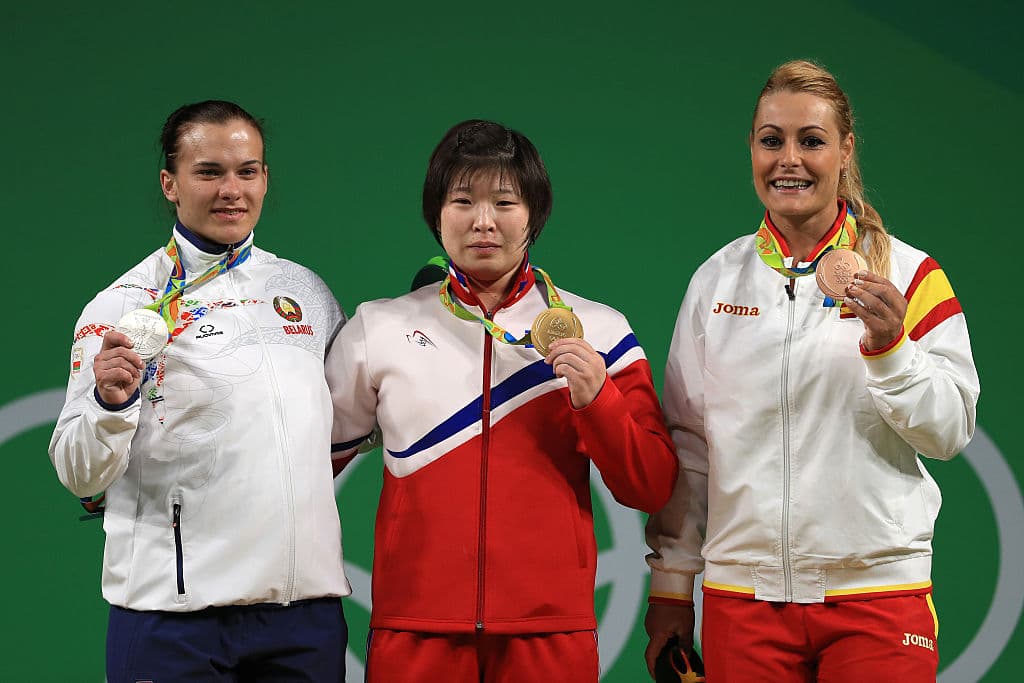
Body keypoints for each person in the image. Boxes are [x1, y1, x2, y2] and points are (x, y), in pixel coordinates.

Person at [644, 60, 980, 682]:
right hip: (742, 600)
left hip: (877, 596)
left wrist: (891, 349)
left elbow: (951, 430)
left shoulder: (909, 275)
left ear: (846, 151)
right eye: (772, 141)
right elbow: (690, 450)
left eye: (812, 141)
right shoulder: (716, 282)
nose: (789, 160)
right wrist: (671, 588)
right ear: (752, 149)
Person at [326, 119, 679, 682]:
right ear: (436, 215)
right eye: (463, 200)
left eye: (505, 202)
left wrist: (599, 400)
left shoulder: (601, 331)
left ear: (534, 214)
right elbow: (307, 476)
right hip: (414, 629)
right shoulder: (379, 327)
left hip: (550, 633)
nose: (483, 221)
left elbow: (651, 486)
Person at [49, 100, 350, 682]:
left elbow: (345, 427)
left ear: (265, 179)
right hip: (174, 617)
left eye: (247, 171)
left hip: (302, 614)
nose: (231, 190)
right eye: (208, 172)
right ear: (170, 183)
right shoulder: (123, 305)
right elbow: (79, 473)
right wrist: (111, 405)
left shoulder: (305, 292)